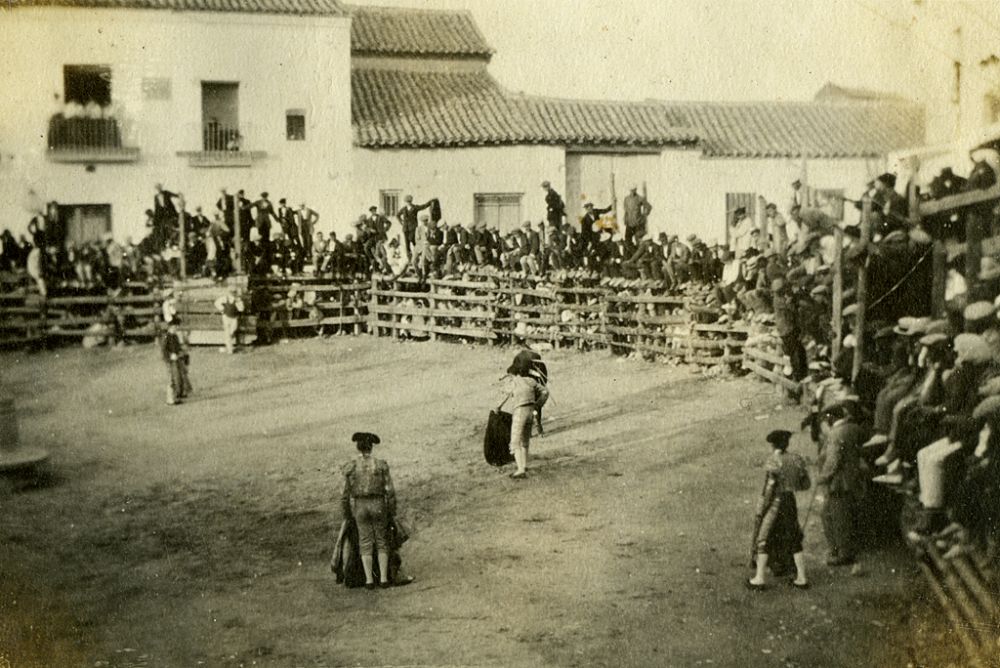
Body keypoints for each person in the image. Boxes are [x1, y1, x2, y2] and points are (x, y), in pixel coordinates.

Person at [338, 432, 409, 590]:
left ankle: (369, 580)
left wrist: (347, 515)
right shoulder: (380, 465)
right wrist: (391, 511)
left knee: (365, 542)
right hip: (378, 505)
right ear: (371, 447)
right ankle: (383, 579)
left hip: (360, 506)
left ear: (358, 447)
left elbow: (344, 496)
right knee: (382, 541)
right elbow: (390, 492)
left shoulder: (351, 467)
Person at [748, 429, 811, 590]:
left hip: (776, 503)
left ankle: (759, 578)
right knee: (794, 536)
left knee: (764, 536)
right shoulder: (797, 459)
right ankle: (801, 577)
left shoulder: (773, 461)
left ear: (773, 444)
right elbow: (806, 485)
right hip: (790, 501)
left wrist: (761, 508)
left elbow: (769, 488)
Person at [817, 402, 865, 566]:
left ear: (830, 418)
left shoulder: (836, 434)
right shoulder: (853, 427)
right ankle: (842, 549)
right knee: (842, 514)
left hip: (839, 481)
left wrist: (823, 477)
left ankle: (843, 553)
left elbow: (833, 460)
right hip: (853, 477)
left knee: (835, 516)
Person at [503, 354, 550, 478]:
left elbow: (505, 395)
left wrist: (497, 408)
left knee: (515, 441)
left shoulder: (514, 382)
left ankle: (520, 469)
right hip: (531, 411)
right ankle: (524, 465)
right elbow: (545, 392)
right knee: (525, 440)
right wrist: (538, 405)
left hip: (520, 411)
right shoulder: (532, 380)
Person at [161, 319, 185, 406]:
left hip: (176, 359)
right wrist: (170, 356)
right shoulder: (166, 337)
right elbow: (163, 350)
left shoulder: (175, 336)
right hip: (170, 361)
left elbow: (178, 347)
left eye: (176, 327)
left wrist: (180, 353)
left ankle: (176, 396)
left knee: (177, 378)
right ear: (170, 327)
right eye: (174, 327)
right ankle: (170, 399)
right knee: (171, 379)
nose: (176, 329)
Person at [214, 287, 245, 354]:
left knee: (232, 330)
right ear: (229, 292)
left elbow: (241, 309)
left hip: (234, 318)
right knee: (227, 333)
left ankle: (227, 347)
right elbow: (216, 303)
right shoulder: (225, 298)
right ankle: (229, 349)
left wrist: (238, 303)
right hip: (226, 317)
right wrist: (222, 309)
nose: (232, 293)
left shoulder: (237, 299)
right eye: (231, 292)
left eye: (234, 292)